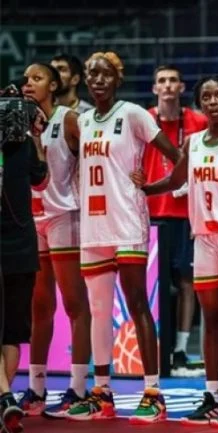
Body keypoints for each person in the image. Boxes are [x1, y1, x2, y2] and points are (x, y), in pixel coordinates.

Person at [135, 75, 218, 428]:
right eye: (206, 97)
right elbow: (176, 180)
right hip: (205, 238)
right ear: (200, 103)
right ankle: (213, 397)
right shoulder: (193, 143)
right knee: (211, 320)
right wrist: (144, 189)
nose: (212, 101)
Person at [64, 51, 180, 423]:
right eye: (92, 74)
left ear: (118, 78)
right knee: (98, 311)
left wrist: (152, 188)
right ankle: (102, 393)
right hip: (94, 225)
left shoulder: (133, 114)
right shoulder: (81, 121)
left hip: (128, 221)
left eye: (105, 74)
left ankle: (153, 393)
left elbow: (178, 157)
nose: (98, 80)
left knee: (137, 304)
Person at [17, 62, 92, 419]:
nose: (28, 83)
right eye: (26, 79)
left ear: (53, 85)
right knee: (40, 307)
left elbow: (95, 165)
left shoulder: (70, 120)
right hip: (33, 220)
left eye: (37, 78)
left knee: (75, 305)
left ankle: (78, 389)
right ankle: (36, 389)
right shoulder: (18, 122)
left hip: (65, 216)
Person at [144, 65, 208, 371]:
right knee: (151, 284)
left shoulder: (199, 121)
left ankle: (181, 349)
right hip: (151, 213)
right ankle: (152, 345)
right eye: (162, 81)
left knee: (186, 282)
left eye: (173, 80)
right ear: (154, 88)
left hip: (185, 214)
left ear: (181, 87)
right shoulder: (143, 119)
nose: (167, 85)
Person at [0, 77, 49, 433]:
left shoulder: (22, 145)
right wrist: (35, 138)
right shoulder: (27, 144)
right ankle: (6, 397)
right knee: (11, 332)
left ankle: (4, 398)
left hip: (17, 244)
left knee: (11, 329)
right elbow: (41, 180)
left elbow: (40, 181)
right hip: (22, 243)